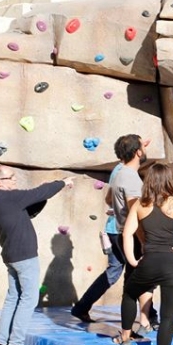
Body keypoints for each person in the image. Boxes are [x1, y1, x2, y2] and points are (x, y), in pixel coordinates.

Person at [0, 165, 74, 345]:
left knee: (13, 298)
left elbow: (32, 208)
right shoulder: (8, 197)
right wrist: (62, 183)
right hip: (24, 256)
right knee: (29, 299)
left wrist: (43, 194)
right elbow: (39, 193)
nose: (15, 180)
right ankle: (15, 344)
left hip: (11, 255)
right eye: (10, 177)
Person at [72, 135, 157, 332]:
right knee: (138, 276)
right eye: (141, 148)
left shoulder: (119, 172)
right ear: (137, 152)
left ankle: (84, 306)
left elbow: (110, 197)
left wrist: (118, 209)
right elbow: (134, 211)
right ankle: (147, 319)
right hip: (128, 233)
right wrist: (144, 240)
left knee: (122, 273)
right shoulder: (129, 176)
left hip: (117, 229)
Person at [115, 163, 173, 345]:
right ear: (170, 181)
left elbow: (127, 233)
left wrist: (132, 260)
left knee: (130, 293)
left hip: (149, 261)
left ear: (148, 182)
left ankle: (125, 336)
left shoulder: (140, 205)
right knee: (168, 316)